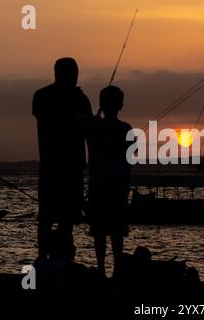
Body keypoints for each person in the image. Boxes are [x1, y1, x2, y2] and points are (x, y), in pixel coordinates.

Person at [32, 58, 92, 262]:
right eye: (74, 73)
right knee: (64, 217)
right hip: (69, 167)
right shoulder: (79, 99)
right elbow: (88, 129)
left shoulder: (41, 96)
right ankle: (61, 260)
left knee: (47, 216)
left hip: (51, 165)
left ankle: (44, 258)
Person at [78, 85, 132, 279]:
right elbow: (130, 158)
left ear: (102, 104)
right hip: (117, 187)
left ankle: (101, 269)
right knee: (117, 233)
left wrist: (96, 116)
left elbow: (77, 118)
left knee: (99, 231)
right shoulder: (126, 128)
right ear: (120, 105)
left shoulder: (92, 125)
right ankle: (117, 270)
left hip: (98, 186)